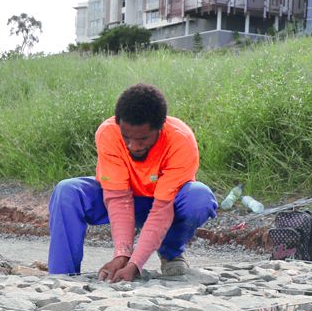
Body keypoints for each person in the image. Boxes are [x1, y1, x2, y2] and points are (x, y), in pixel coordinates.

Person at [47, 83, 217, 280]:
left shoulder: (180, 140)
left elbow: (162, 208)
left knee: (199, 197)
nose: (133, 146)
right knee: (66, 191)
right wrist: (122, 255)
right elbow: (118, 199)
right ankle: (62, 275)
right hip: (124, 200)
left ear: (160, 128)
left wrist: (135, 264)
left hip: (165, 205)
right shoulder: (108, 132)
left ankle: (170, 252)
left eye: (143, 139)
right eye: (126, 137)